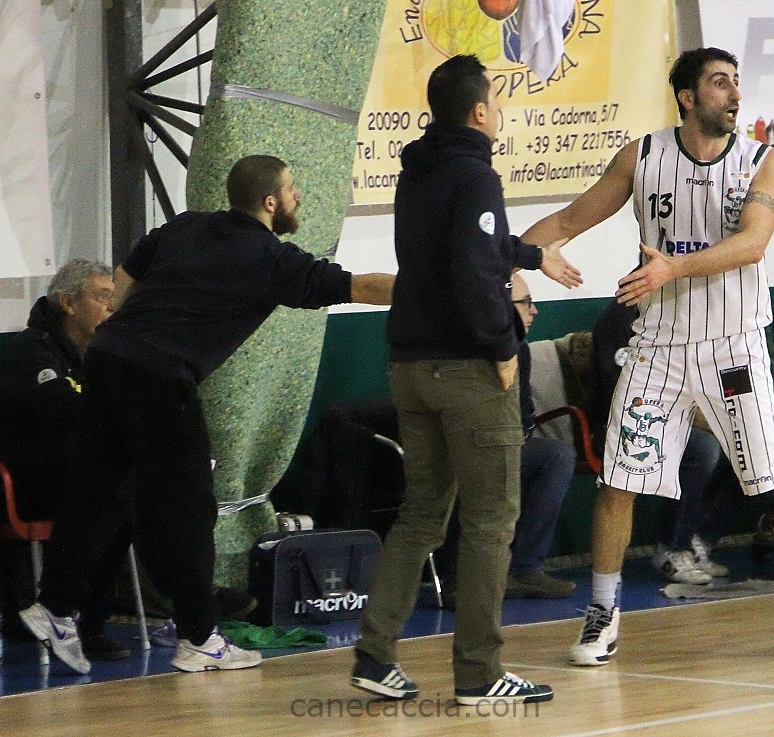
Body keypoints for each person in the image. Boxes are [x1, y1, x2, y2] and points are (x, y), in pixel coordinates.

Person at [522, 47, 774, 664]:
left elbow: (751, 245)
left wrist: (671, 268)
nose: (735, 94)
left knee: (771, 486)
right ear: (688, 97)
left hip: (734, 346)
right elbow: (568, 219)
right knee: (618, 482)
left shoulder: (763, 161)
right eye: (721, 83)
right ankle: (602, 612)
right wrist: (511, 258)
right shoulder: (642, 156)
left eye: (737, 83)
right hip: (659, 348)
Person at [18, 154, 396, 676]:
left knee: (96, 490)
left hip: (106, 358)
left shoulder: (187, 226)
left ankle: (55, 606)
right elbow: (363, 287)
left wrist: (128, 334)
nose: (298, 197)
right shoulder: (273, 260)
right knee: (190, 510)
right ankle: (199, 638)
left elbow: (125, 276)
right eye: (292, 189)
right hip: (158, 378)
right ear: (270, 202)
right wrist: (437, 294)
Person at [350, 54, 579, 706]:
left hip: (408, 366)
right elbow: (476, 274)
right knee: (490, 521)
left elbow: (462, 247)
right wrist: (505, 347)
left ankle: (374, 655)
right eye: (496, 102)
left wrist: (532, 254)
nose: (499, 112)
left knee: (421, 516)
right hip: (467, 370)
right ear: (480, 112)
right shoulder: (476, 174)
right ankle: (479, 673)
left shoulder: (417, 170)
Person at [0, 260, 133, 660]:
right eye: (101, 297)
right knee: (109, 489)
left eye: (113, 299)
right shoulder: (32, 349)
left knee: (127, 492)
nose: (110, 307)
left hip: (69, 474)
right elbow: (65, 411)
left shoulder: (95, 354)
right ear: (68, 303)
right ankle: (65, 611)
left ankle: (87, 623)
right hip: (18, 481)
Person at [434, 274, 577, 604]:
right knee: (476, 460)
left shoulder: (518, 349)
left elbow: (523, 412)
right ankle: (457, 577)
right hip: (456, 443)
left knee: (556, 455)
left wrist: (516, 437)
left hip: (504, 441)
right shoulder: (460, 347)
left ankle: (524, 568)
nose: (534, 310)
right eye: (525, 303)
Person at [590, 297, 740, 585]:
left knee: (745, 447)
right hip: (625, 421)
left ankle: (698, 539)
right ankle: (672, 548)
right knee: (704, 448)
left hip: (679, 415)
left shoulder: (687, 310)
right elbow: (626, 392)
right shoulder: (621, 317)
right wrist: (701, 417)